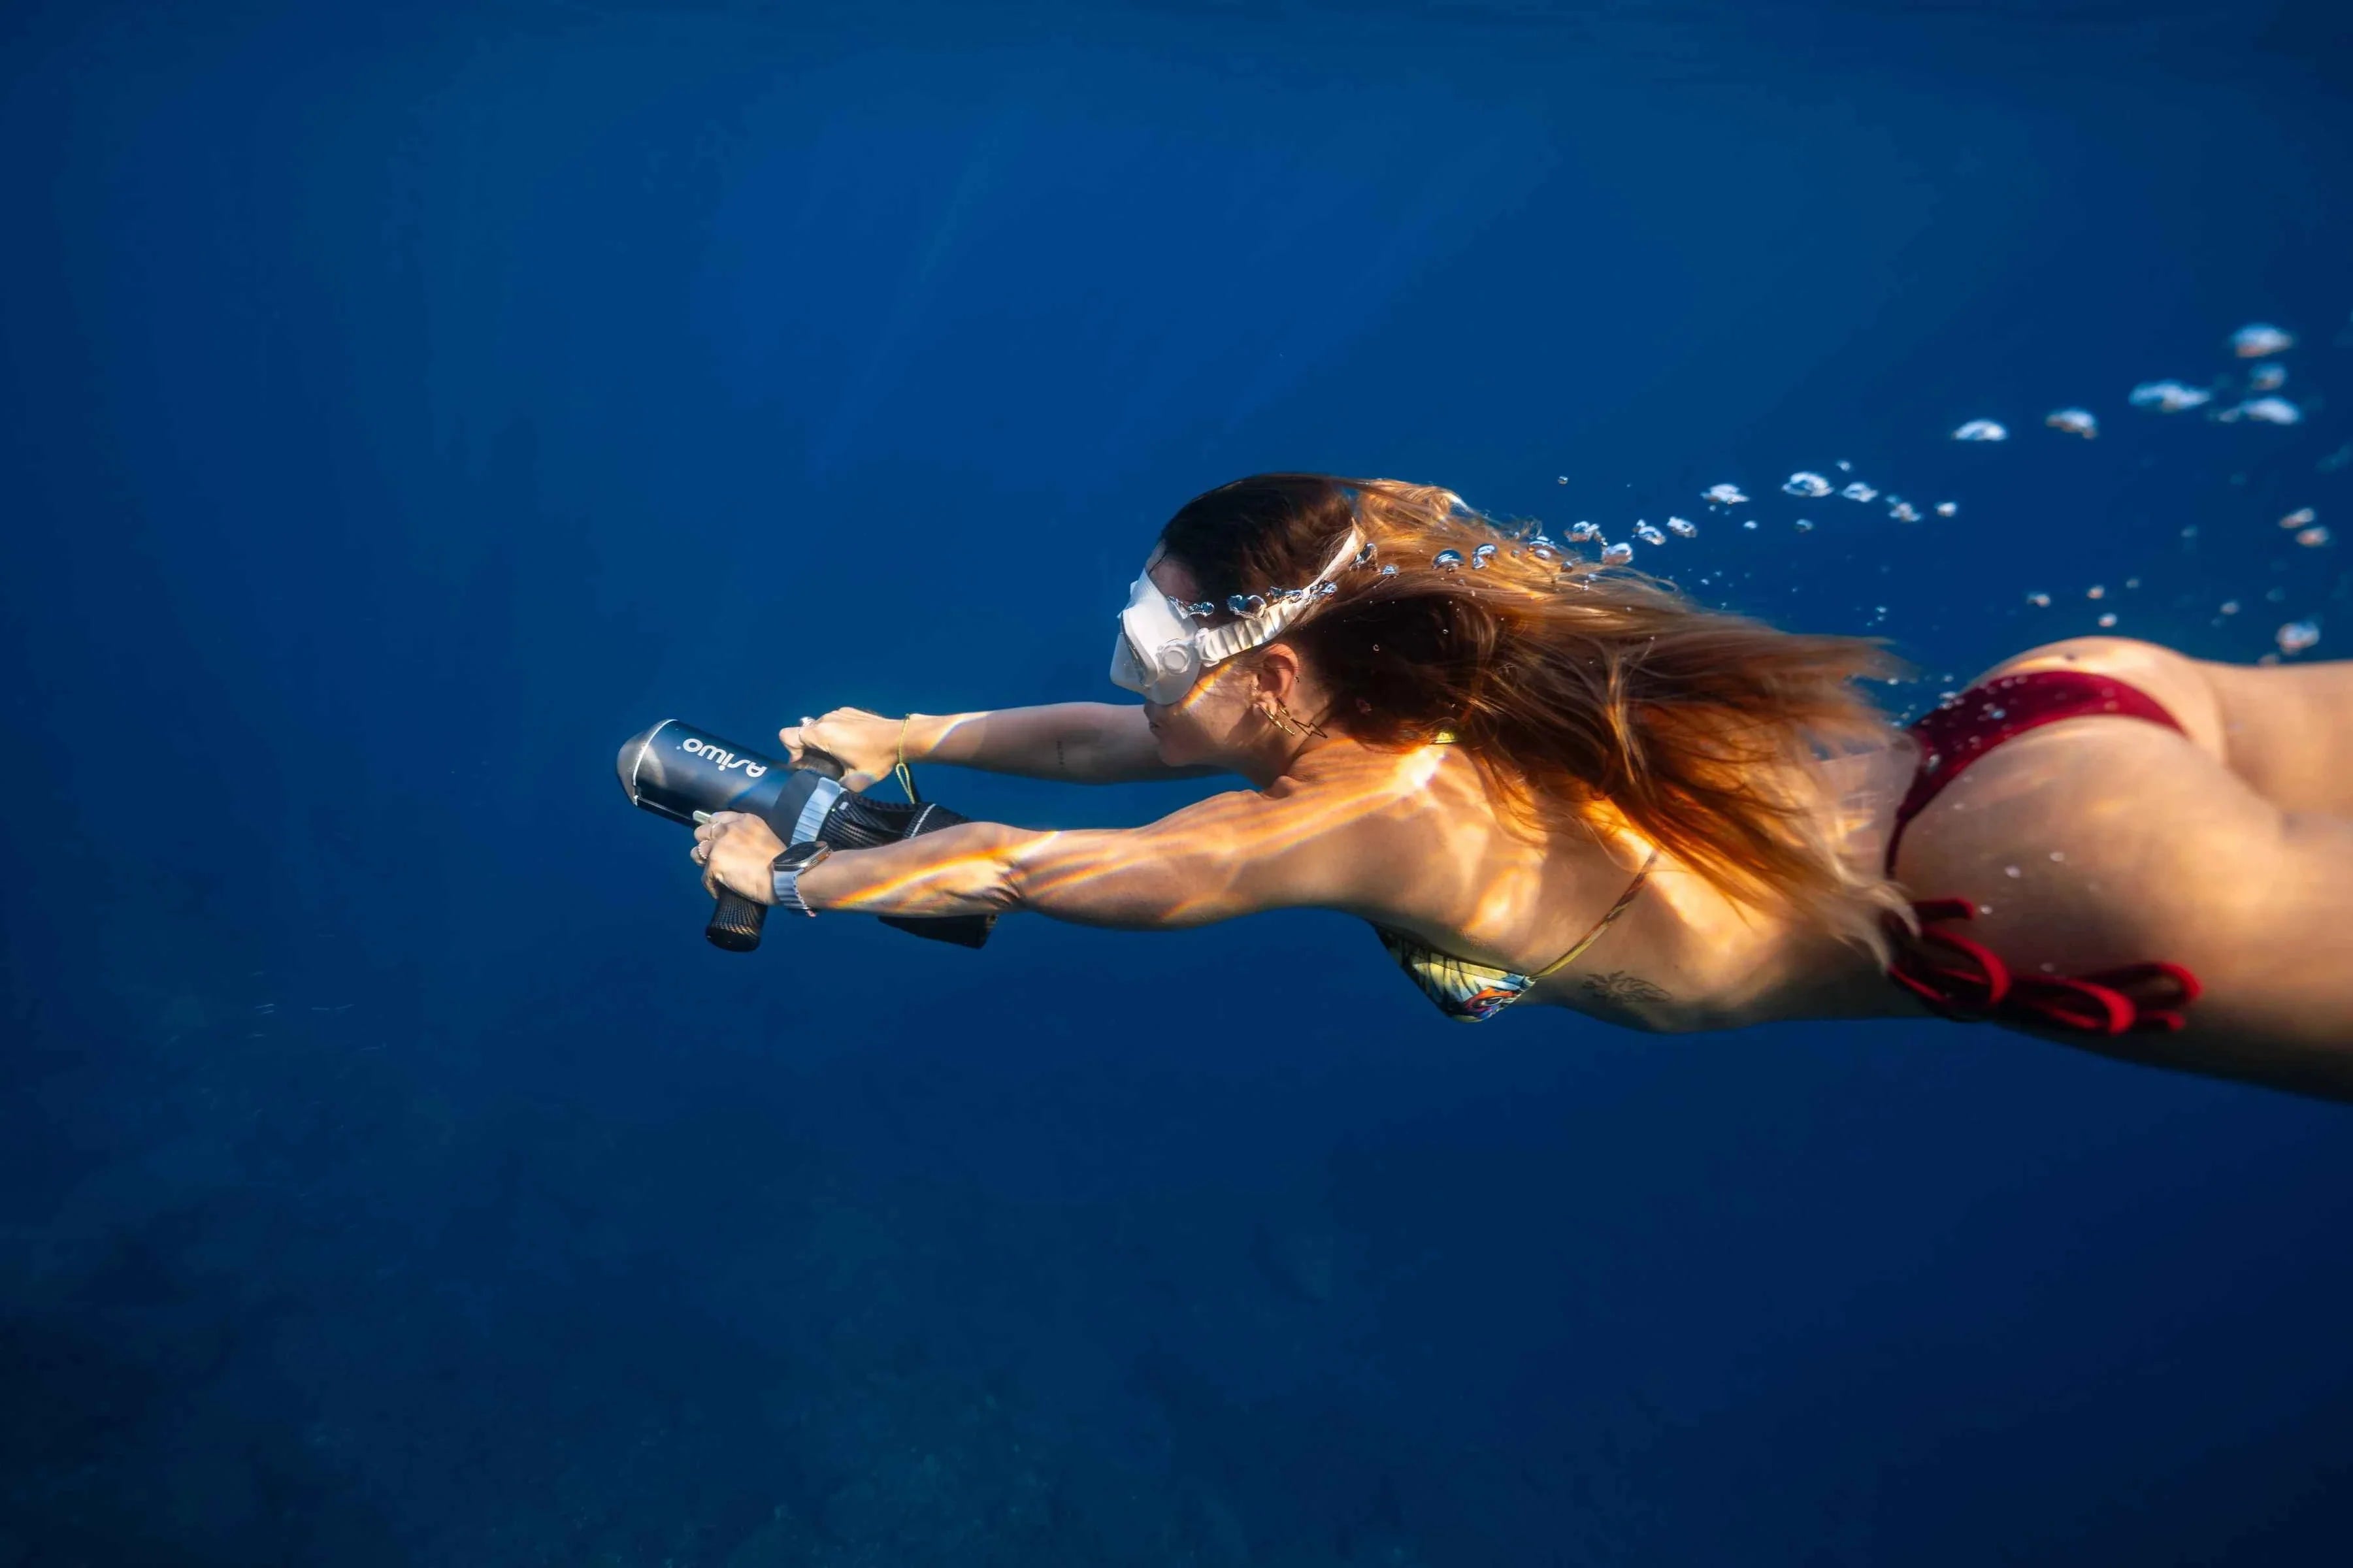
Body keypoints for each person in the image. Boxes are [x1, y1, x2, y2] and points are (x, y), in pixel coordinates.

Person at [693, 474, 2353, 1101]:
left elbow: (1033, 870)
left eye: (1145, 648)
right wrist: (913, 734)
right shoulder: (1442, 682)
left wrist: (779, 876)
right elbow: (1098, 752)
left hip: (2047, 892)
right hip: (2060, 716)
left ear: (1274, 677)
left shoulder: (1343, 820)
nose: (1125, 684)